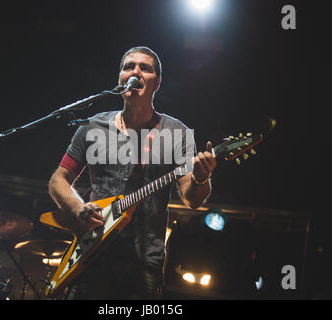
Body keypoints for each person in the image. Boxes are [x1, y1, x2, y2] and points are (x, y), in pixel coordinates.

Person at [48, 46, 216, 299]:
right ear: (120, 79)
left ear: (157, 82)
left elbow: (192, 198)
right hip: (92, 254)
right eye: (129, 67)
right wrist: (77, 207)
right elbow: (58, 179)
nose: (135, 72)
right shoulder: (94, 126)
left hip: (143, 264)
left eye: (145, 68)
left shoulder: (177, 133)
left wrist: (201, 178)